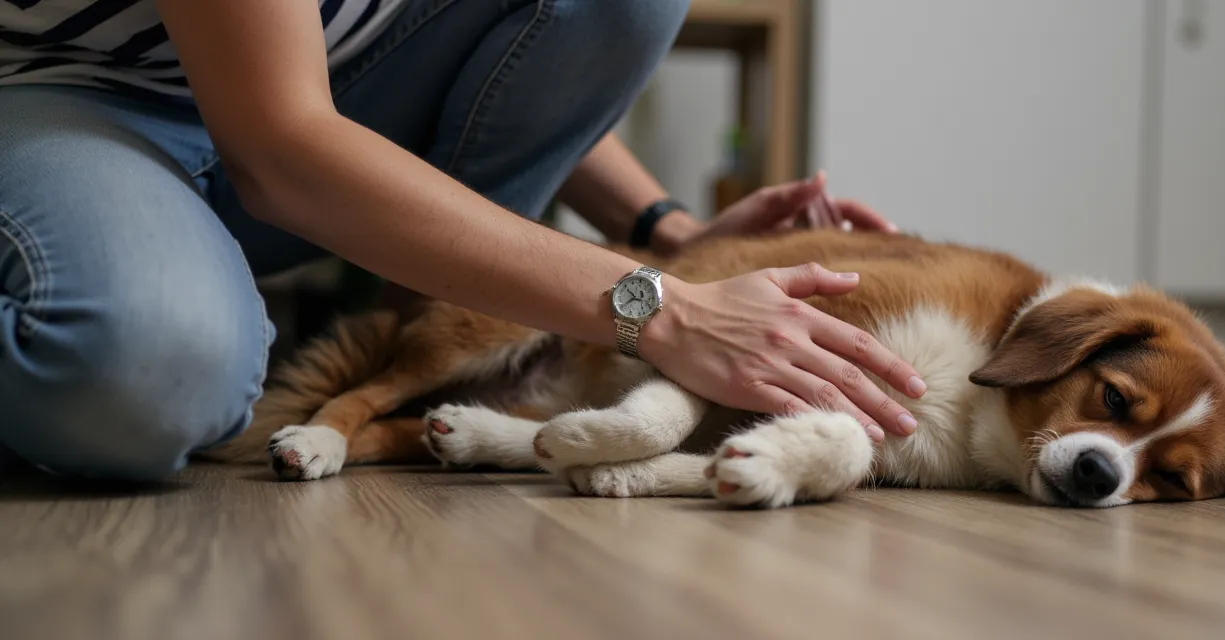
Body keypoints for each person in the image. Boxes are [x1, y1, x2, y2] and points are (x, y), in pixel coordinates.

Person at [0, 0, 927, 481]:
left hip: (303, 82)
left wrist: (666, 232)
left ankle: (429, 351)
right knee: (148, 376)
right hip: (64, 94)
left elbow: (496, 45)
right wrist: (663, 305)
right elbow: (282, 149)